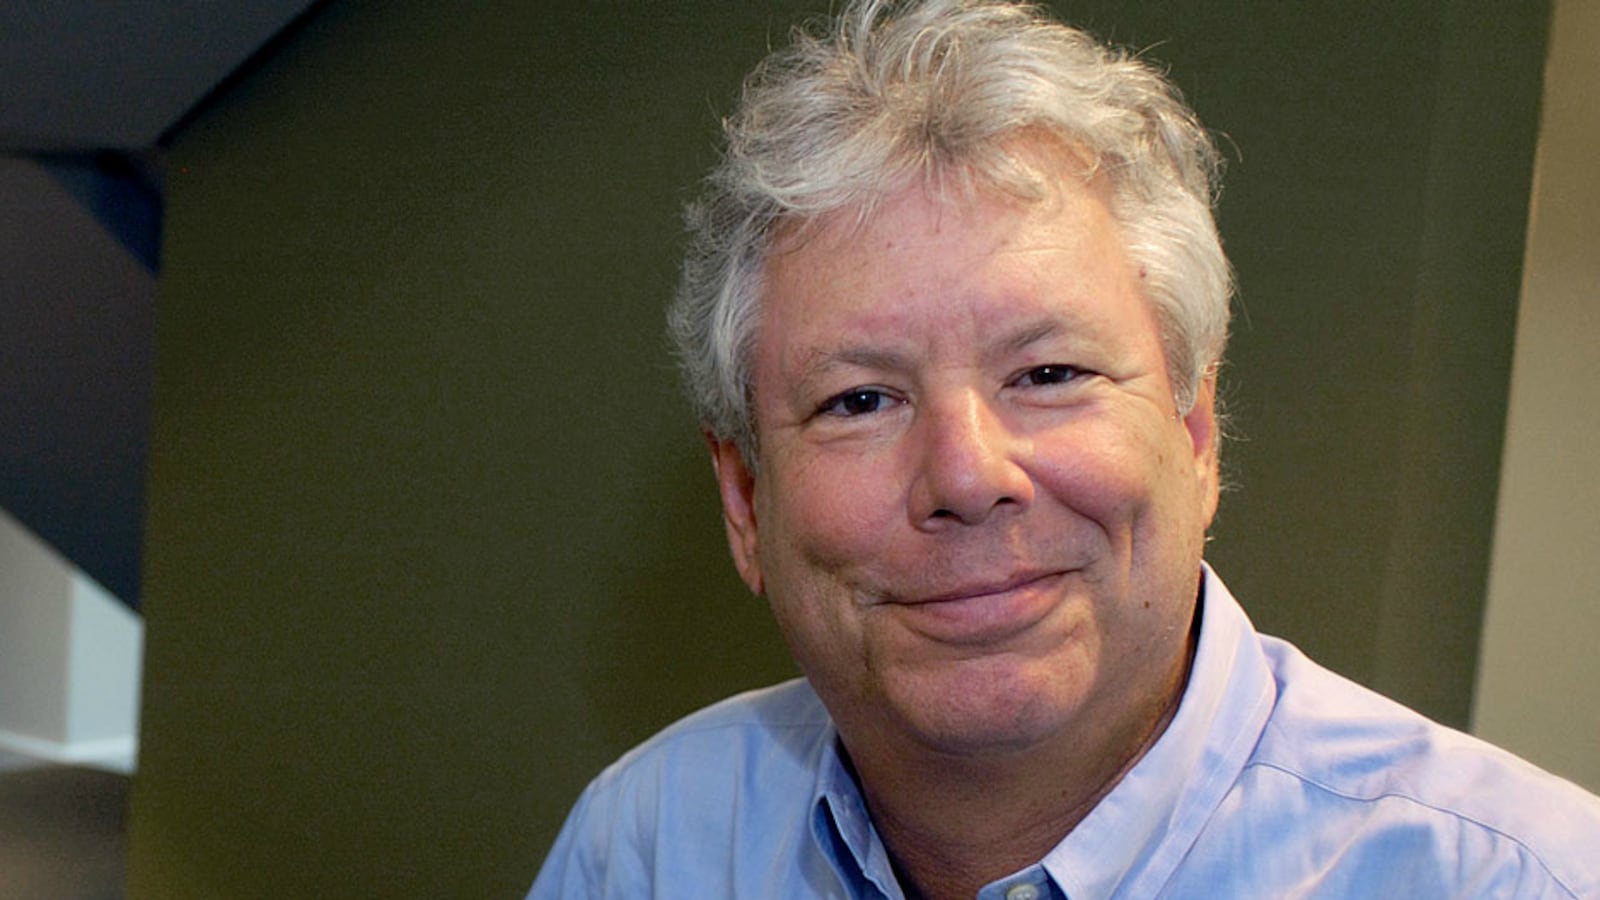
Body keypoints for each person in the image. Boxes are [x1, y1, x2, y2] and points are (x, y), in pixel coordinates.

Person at [529, 1, 1600, 897]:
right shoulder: (649, 846)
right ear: (743, 503)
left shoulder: (1520, 878)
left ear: (1193, 434)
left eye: (1049, 375)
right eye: (860, 400)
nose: (964, 475)